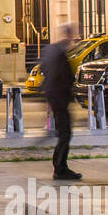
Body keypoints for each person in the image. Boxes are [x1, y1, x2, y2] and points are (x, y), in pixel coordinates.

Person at [40, 23, 81, 180]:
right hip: (59, 97)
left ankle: (60, 166)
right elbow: (62, 75)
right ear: (70, 36)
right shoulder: (60, 53)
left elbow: (44, 67)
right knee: (65, 133)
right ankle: (60, 168)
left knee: (63, 133)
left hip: (54, 96)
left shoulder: (50, 49)